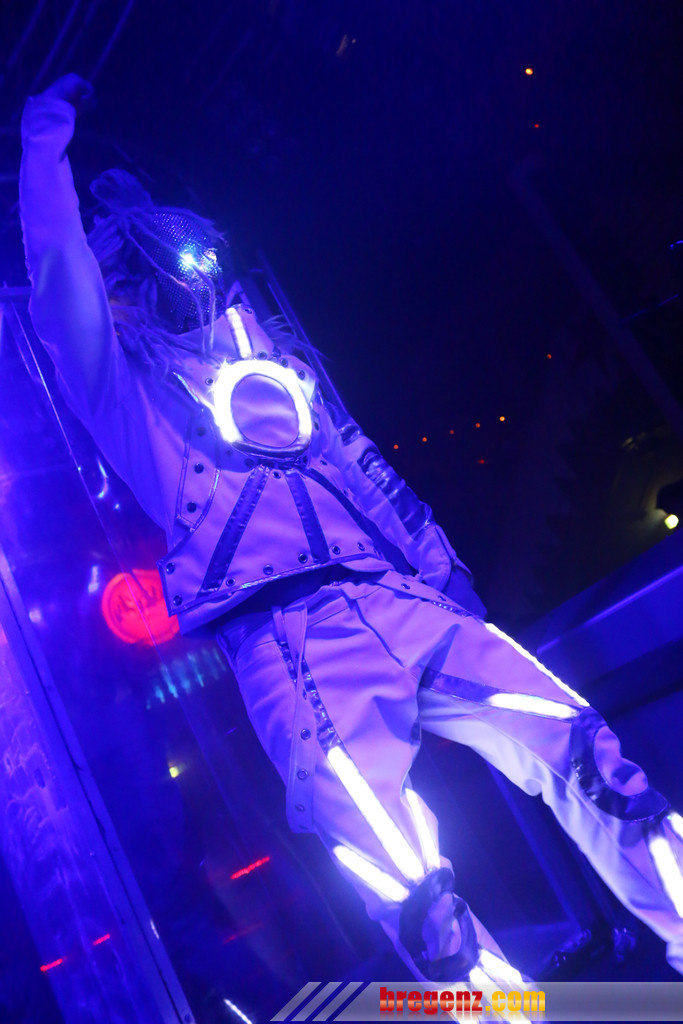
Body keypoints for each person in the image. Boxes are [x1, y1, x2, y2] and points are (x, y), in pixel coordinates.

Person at [19, 73, 683, 994]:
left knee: (580, 749)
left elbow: (364, 469)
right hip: (290, 640)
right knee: (405, 881)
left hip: (394, 594)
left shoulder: (268, 361)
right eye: (137, 266)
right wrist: (43, 141)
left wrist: (441, 573)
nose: (171, 275)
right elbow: (60, 274)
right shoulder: (123, 393)